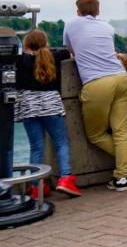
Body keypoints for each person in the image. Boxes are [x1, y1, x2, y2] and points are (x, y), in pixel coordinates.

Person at [63, 0, 127, 191]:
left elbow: (71, 51)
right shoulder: (107, 27)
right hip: (122, 79)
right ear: (98, 11)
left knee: (96, 134)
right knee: (121, 131)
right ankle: (121, 177)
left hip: (97, 83)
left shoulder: (71, 24)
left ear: (77, 12)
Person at [15, 29, 79, 198]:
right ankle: (65, 179)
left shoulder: (19, 60)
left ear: (26, 44)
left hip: (29, 106)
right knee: (61, 143)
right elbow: (72, 52)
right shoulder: (55, 56)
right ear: (46, 44)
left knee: (36, 147)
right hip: (51, 104)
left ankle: (36, 186)